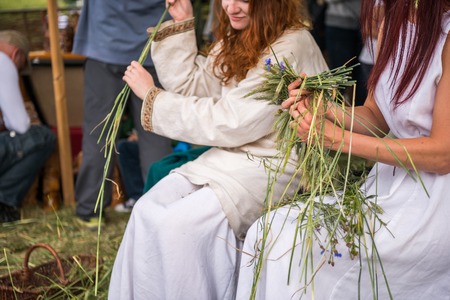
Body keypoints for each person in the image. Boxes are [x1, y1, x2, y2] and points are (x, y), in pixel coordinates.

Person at [108, 0, 328, 298]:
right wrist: (183, 21)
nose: (231, 7)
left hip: (279, 160)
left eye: (244, 0)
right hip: (235, 154)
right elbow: (196, 85)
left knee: (178, 227)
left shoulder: (291, 45)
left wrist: (153, 99)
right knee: (146, 209)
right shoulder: (240, 35)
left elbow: (232, 121)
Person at [236, 0, 450, 298]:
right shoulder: (392, 22)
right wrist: (324, 109)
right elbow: (377, 115)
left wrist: (335, 139)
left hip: (435, 204)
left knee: (293, 246)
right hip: (391, 186)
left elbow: (442, 155)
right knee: (267, 230)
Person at [71, 0, 173, 228]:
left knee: (100, 133)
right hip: (152, 46)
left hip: (105, 45)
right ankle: (161, 208)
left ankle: (90, 211)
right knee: (154, 132)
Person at [0, 30, 56, 223]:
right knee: (42, 137)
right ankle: (4, 202)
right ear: (16, 55)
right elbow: (19, 124)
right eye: (20, 67)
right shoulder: (3, 62)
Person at [324, 0, 365, 104]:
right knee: (338, 77)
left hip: (365, 25)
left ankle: (358, 116)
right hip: (339, 26)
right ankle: (333, 113)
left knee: (362, 81)